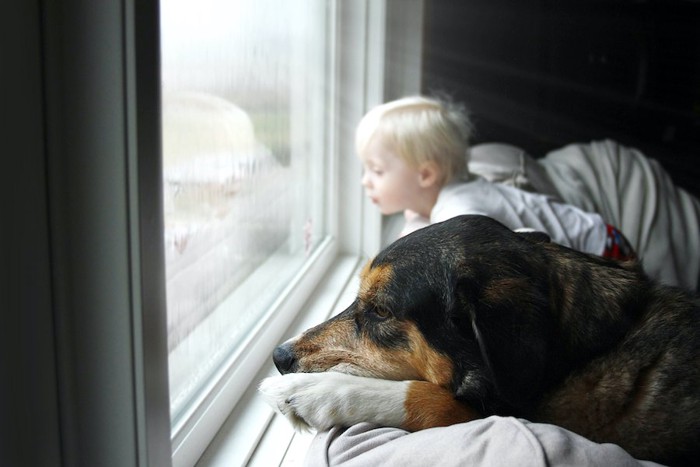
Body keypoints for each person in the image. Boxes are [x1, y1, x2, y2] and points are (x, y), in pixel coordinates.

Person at [356, 95, 635, 260]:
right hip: (603, 233)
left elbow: (516, 253)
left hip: (604, 252)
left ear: (426, 174)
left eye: (377, 171)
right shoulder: (443, 195)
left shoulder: (460, 211)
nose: (365, 180)